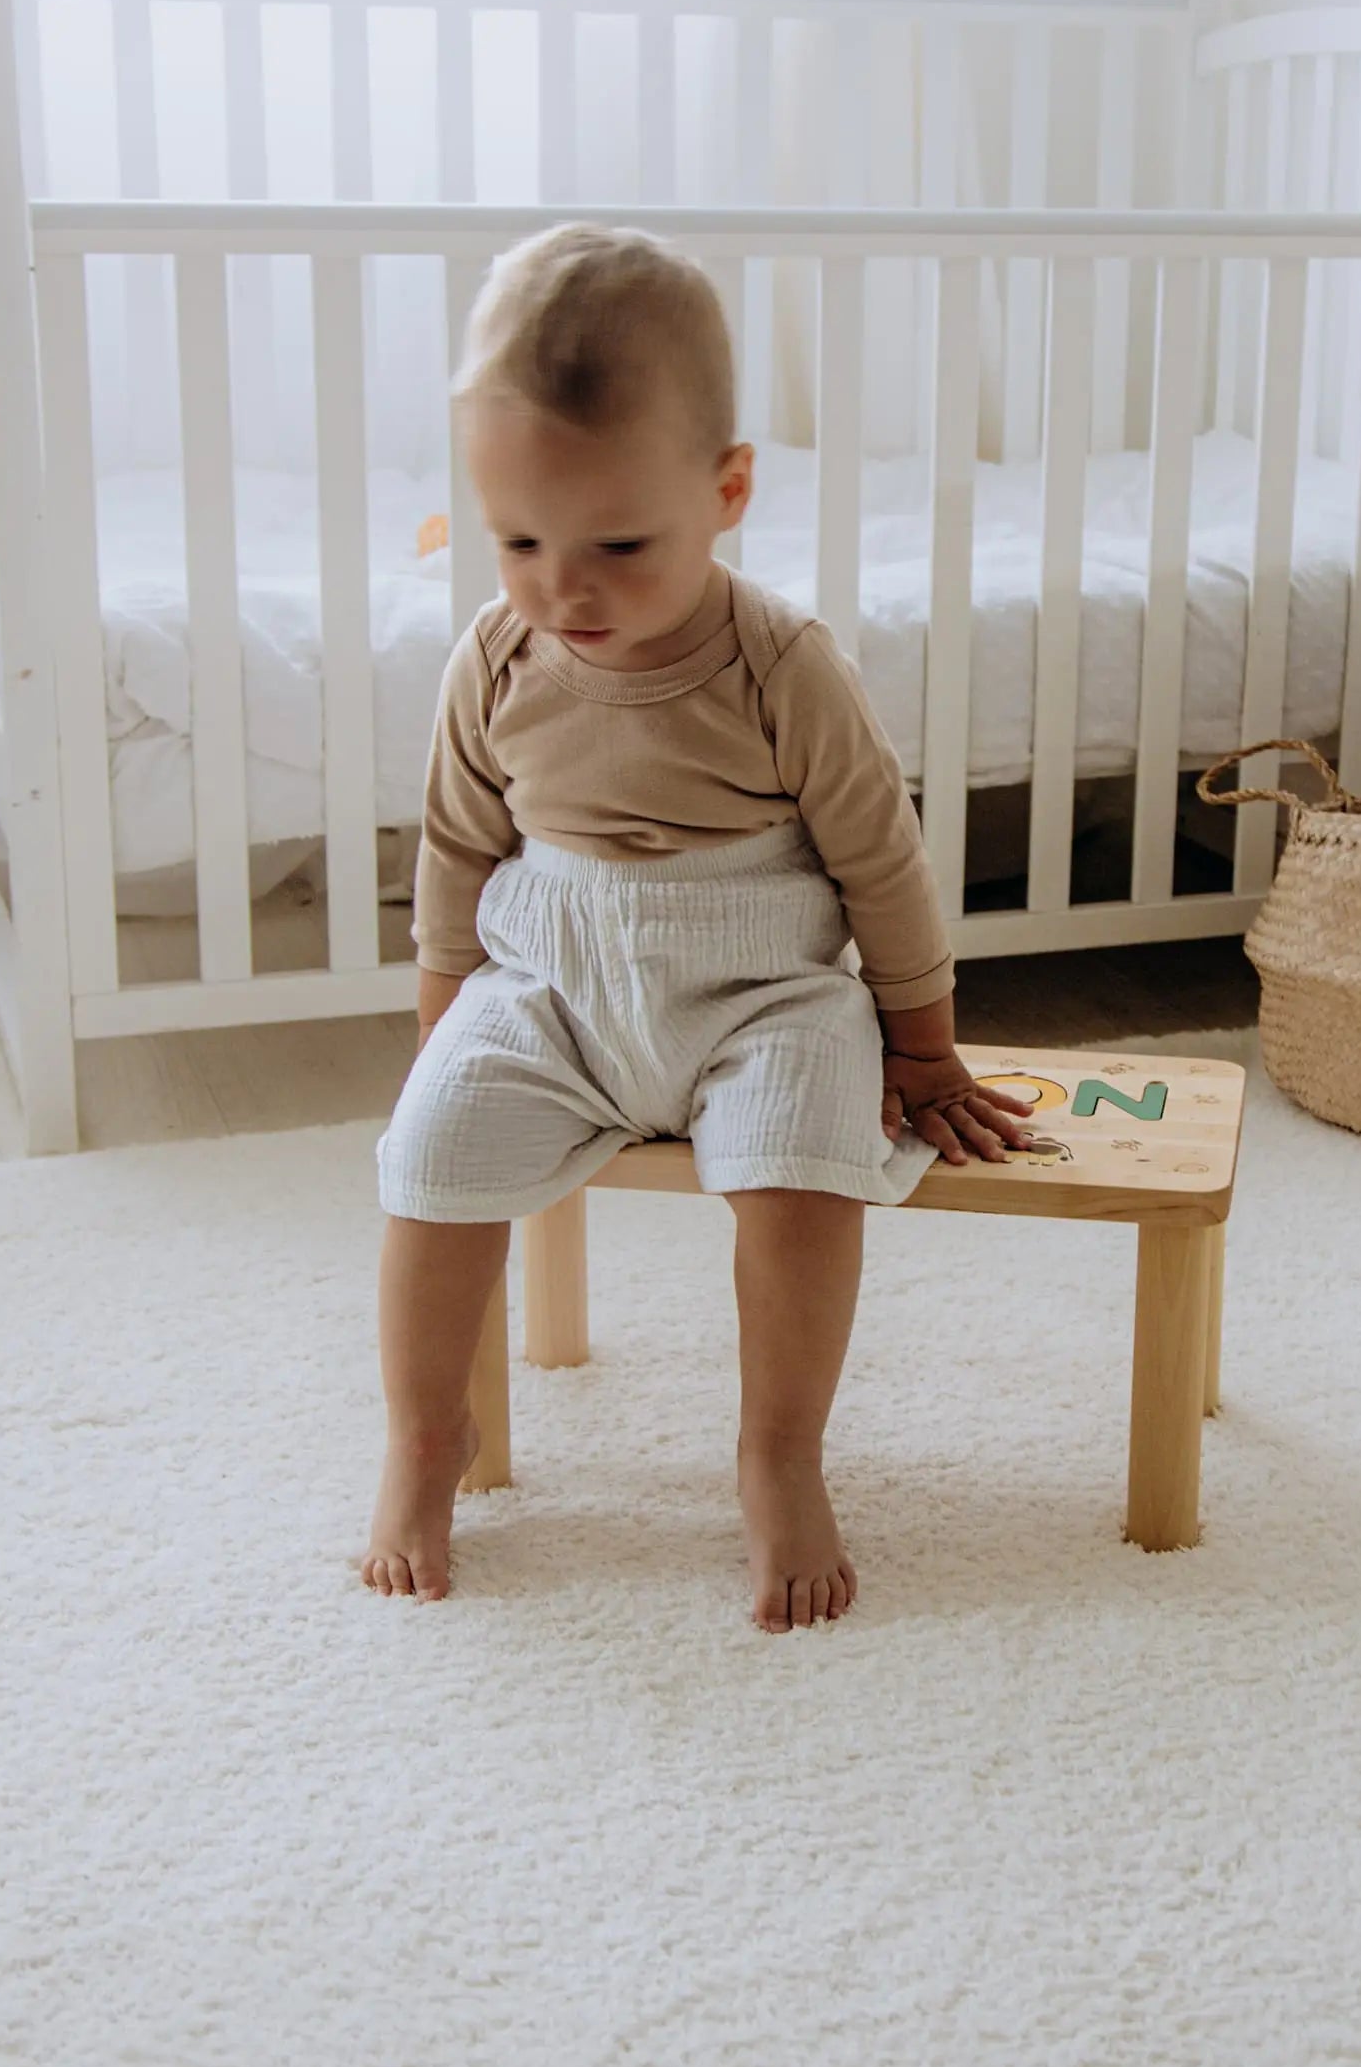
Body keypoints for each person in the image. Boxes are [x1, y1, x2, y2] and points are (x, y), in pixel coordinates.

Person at [362, 224, 1031, 1626]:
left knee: (803, 1178)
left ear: (726, 492)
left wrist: (923, 1048)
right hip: (547, 982)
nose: (566, 587)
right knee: (424, 1161)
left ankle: (778, 1452)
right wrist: (441, 1021)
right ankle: (427, 1436)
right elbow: (458, 845)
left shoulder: (784, 664)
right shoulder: (495, 657)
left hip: (759, 991)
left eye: (619, 542)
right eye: (519, 540)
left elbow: (883, 867)